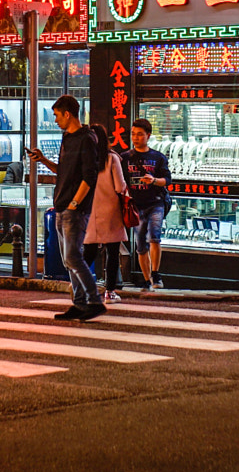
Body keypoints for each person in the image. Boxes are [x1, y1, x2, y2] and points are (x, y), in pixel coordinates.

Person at [31, 95, 105, 321]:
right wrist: (42, 160)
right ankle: (80, 303)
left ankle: (94, 300)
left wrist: (75, 203)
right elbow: (63, 171)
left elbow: (89, 176)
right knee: (68, 259)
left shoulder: (87, 138)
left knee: (73, 256)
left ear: (68, 114)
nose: (55, 120)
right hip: (61, 205)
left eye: (56, 115)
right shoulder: (66, 137)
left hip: (75, 209)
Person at [120, 119, 171, 292]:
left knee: (154, 236)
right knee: (141, 244)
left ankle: (156, 273)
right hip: (135, 206)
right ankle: (147, 278)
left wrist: (154, 180)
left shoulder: (157, 157)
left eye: (140, 134)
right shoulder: (125, 158)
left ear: (148, 136)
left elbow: (167, 181)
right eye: (133, 134)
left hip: (155, 202)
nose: (136, 137)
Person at [84, 125, 130, 302]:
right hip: (110, 209)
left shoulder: (86, 159)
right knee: (112, 252)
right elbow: (119, 186)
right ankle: (110, 292)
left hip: (90, 209)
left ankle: (79, 284)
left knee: (88, 251)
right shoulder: (111, 158)